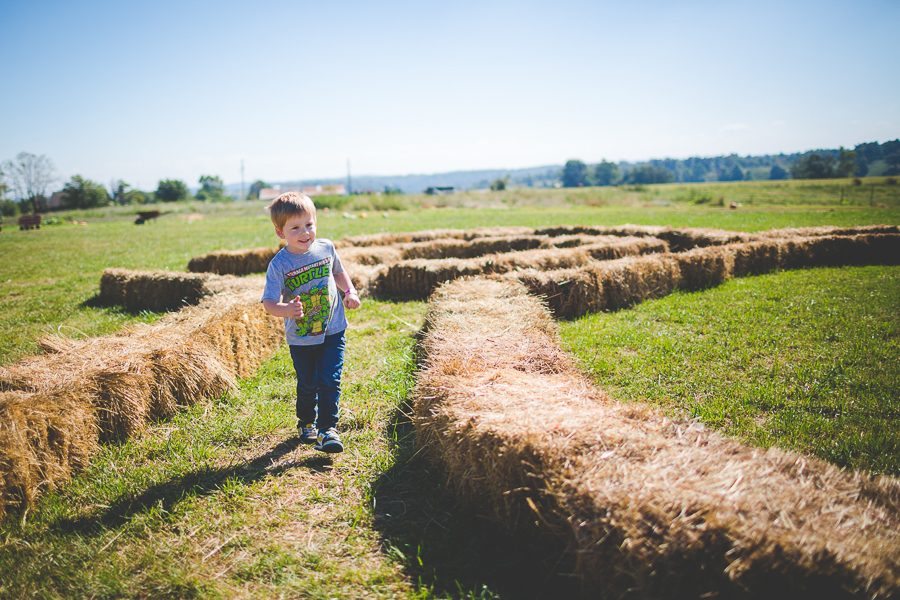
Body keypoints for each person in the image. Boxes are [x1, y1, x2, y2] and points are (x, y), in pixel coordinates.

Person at [261, 192, 361, 453]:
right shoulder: (279, 265)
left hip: (333, 329)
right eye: (295, 228)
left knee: (330, 380)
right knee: (307, 384)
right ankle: (306, 422)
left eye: (309, 225)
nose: (304, 232)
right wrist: (287, 309)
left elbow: (338, 272)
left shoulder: (326, 248)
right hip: (302, 336)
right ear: (280, 233)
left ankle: (328, 429)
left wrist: (350, 292)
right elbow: (269, 303)